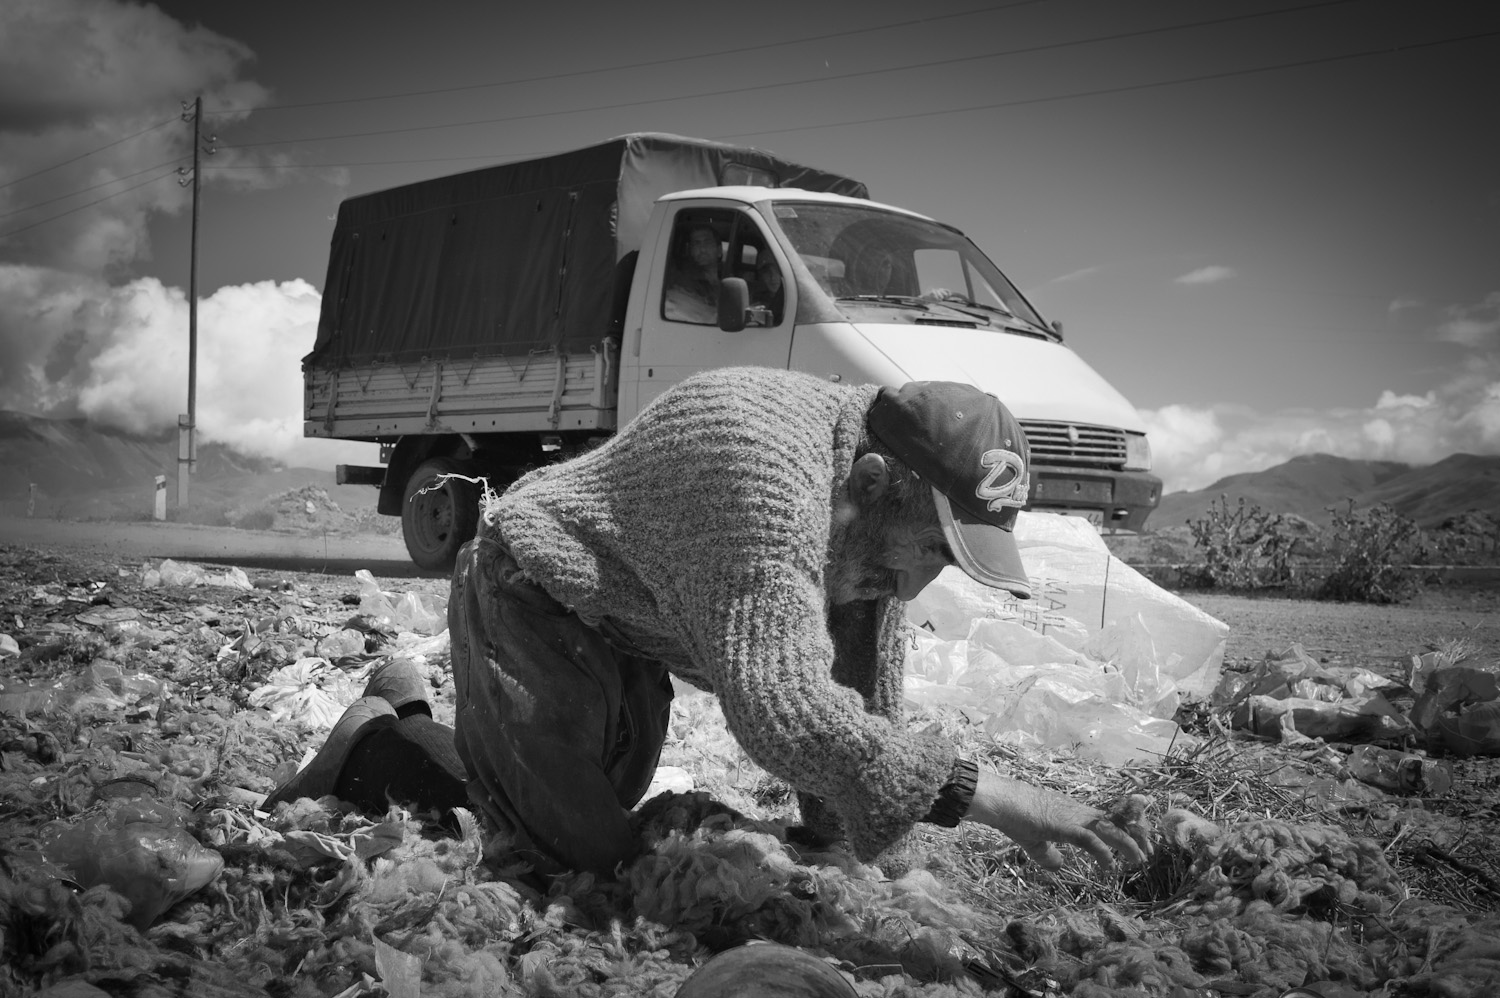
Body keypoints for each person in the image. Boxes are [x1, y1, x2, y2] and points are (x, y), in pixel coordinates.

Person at [265, 368, 1151, 880]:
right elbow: (784, 706)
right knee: (572, 859)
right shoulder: (762, 472)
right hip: (533, 590)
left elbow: (852, 681)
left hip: (630, 621)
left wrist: (846, 845)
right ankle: (381, 741)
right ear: (876, 483)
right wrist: (994, 799)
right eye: (932, 551)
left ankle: (425, 724)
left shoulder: (871, 515)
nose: (920, 584)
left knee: (601, 812)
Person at [663, 223, 722, 323]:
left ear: (719, 250)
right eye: (696, 244)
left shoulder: (731, 277)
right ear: (690, 251)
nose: (702, 249)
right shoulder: (683, 280)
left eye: (707, 243)